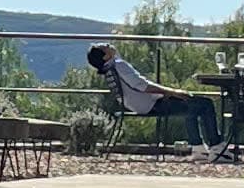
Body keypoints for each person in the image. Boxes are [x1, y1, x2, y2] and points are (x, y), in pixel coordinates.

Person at [85, 40, 223, 157]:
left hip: (137, 104)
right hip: (151, 104)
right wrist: (172, 92)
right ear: (105, 57)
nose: (109, 45)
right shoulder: (119, 65)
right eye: (105, 47)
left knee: (191, 105)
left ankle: (198, 148)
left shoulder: (110, 70)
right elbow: (142, 86)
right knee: (205, 104)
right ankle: (217, 147)